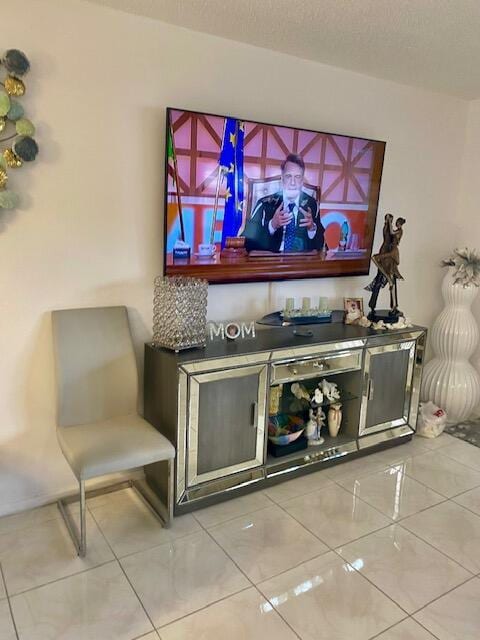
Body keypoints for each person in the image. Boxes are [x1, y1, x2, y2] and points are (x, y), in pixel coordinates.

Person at [242, 153, 325, 253]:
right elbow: (247, 243)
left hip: (301, 264)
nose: (293, 183)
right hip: (271, 263)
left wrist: (312, 228)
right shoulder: (265, 204)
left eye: (297, 177)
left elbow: (321, 245)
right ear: (282, 178)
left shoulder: (311, 205)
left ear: (302, 180)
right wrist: (272, 225)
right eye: (288, 176)